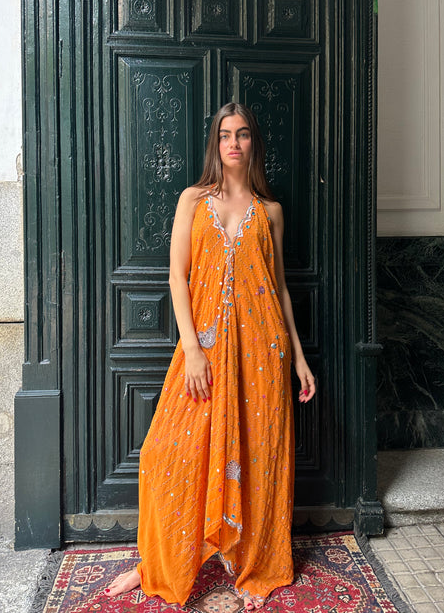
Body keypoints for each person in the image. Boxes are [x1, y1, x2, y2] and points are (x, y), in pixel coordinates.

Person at [104, 102, 316, 610]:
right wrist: (193, 350)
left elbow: (279, 288)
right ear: (215, 144)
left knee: (258, 457)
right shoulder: (192, 201)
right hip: (206, 352)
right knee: (163, 456)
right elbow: (177, 276)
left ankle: (253, 566)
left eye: (243, 135)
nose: (234, 144)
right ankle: (154, 564)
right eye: (225, 135)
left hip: (263, 354)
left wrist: (299, 359)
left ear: (253, 144)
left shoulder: (270, 213)